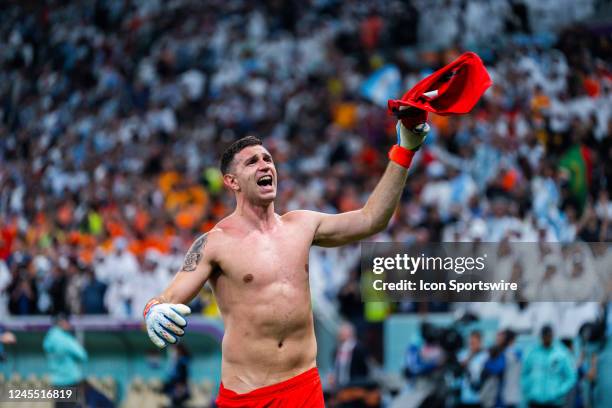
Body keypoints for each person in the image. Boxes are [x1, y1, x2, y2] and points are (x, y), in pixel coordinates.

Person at [143, 111, 430, 407]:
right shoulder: (215, 243)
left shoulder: (302, 225)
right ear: (232, 181)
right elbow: (168, 297)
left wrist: (405, 150)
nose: (264, 165)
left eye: (267, 159)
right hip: (247, 396)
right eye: (252, 162)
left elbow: (371, 220)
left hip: (303, 388)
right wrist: (153, 311)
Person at [521, 325, 577, 408]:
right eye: (545, 336)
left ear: (552, 336)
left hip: (554, 401)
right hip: (535, 399)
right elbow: (524, 373)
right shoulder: (533, 352)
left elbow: (571, 377)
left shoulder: (561, 353)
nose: (547, 339)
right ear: (541, 337)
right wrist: (528, 389)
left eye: (549, 336)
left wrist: (560, 391)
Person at [43, 314, 88, 407]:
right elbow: (83, 355)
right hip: (69, 380)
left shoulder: (49, 337)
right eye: (67, 321)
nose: (69, 324)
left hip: (56, 381)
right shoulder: (65, 339)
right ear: (62, 322)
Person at [457, 330, 488, 408]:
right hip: (464, 397)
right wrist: (471, 355)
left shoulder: (485, 356)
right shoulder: (463, 354)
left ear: (480, 342)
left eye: (475, 343)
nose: (472, 345)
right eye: (471, 343)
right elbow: (459, 367)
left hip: (480, 397)